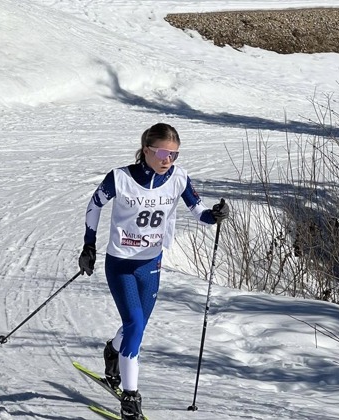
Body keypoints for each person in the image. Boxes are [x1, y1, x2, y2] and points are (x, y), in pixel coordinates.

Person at [78, 122, 229, 420]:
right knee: (134, 322)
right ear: (146, 149)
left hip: (151, 263)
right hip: (121, 262)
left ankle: (113, 351)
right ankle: (130, 399)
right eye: (162, 152)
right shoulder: (120, 178)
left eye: (173, 154)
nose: (167, 160)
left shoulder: (179, 178)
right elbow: (94, 206)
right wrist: (88, 246)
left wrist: (215, 215)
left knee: (137, 328)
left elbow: (198, 211)